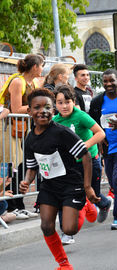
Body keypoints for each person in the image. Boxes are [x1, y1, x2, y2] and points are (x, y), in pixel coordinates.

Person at [19, 88, 100, 270]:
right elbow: (32, 166)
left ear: (53, 110)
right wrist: (26, 181)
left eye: (47, 107)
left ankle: (85, 204)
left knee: (69, 229)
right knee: (46, 226)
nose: (43, 111)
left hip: (71, 184)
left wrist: (88, 187)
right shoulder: (30, 139)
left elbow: (85, 156)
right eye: (37, 107)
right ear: (30, 111)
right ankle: (63, 264)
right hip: (49, 185)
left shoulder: (62, 132)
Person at [53, 84, 111, 243]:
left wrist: (84, 145)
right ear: (55, 104)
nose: (64, 106)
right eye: (60, 103)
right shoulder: (55, 121)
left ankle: (104, 203)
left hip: (89, 162)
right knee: (65, 197)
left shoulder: (80, 116)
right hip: (69, 166)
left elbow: (100, 133)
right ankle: (66, 233)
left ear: (73, 101)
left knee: (93, 195)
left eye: (67, 102)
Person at [0, 54, 44, 215]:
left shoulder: (34, 82)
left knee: (23, 164)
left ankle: (17, 204)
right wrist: (38, 107)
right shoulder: (18, 81)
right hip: (8, 127)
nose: (42, 69)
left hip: (23, 128)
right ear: (34, 67)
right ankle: (10, 205)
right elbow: (16, 109)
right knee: (10, 163)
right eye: (41, 65)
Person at [89, 69, 117, 230]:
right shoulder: (97, 101)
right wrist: (99, 139)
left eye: (111, 81)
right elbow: (93, 124)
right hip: (108, 148)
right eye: (105, 81)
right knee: (114, 181)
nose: (108, 84)